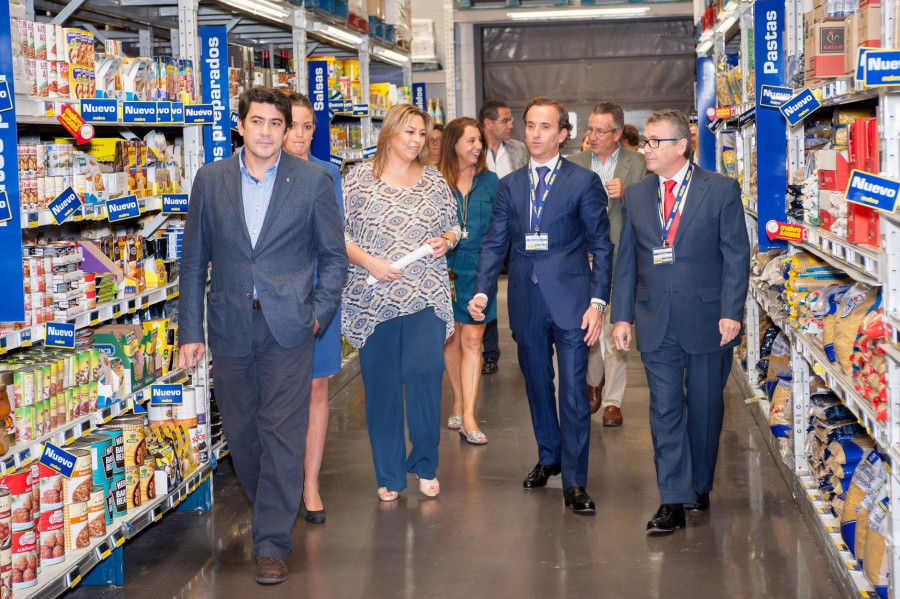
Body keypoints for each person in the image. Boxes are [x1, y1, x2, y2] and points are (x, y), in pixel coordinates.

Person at [178, 87, 347, 584]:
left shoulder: (312, 181)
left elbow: (334, 258)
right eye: (259, 122)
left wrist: (316, 311)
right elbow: (193, 262)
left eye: (278, 123)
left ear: (286, 128)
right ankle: (274, 501)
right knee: (242, 431)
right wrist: (191, 329)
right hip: (229, 322)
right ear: (241, 126)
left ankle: (271, 540)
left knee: (282, 432)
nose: (268, 132)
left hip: (289, 325)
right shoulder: (210, 180)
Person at [469, 97, 613, 515]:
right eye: (530, 125)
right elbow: (495, 242)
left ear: (563, 134)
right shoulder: (509, 185)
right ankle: (549, 456)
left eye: (545, 127)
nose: (535, 133)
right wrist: (482, 290)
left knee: (571, 392)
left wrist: (597, 302)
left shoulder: (583, 182)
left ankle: (575, 480)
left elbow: (602, 246)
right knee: (536, 387)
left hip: (572, 303)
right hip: (527, 302)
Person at [611, 109, 749, 536]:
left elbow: (735, 256)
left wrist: (732, 311)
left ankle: (699, 484)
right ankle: (671, 498)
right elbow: (627, 259)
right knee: (664, 408)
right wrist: (621, 314)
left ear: (680, 146)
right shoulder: (636, 195)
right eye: (646, 141)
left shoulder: (721, 190)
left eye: (654, 142)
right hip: (655, 318)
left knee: (706, 408)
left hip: (708, 318)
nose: (646, 149)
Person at [342, 103, 460, 502]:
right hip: (372, 298)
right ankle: (390, 474)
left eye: (422, 134)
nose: (416, 141)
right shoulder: (357, 180)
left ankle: (424, 463)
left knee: (425, 371)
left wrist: (446, 241)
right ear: (390, 133)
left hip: (425, 292)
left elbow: (454, 226)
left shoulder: (433, 180)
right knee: (382, 387)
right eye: (409, 132)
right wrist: (370, 263)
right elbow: (339, 237)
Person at [281, 92, 344, 525]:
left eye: (308, 128)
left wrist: (325, 296)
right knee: (279, 393)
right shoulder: (256, 172)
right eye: (293, 126)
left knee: (317, 389)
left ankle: (311, 484)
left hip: (319, 298)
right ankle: (280, 483)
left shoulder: (327, 174)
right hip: (273, 303)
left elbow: (334, 244)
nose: (300, 136)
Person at [569, 103, 650, 426]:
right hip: (581, 259)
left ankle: (613, 401)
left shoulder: (639, 164)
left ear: (618, 133)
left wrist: (629, 193)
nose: (593, 136)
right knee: (588, 327)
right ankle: (593, 383)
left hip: (621, 258)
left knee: (617, 328)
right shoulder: (573, 164)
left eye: (600, 131)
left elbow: (657, 204)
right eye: (590, 129)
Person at [439, 118, 500, 444]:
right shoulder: (435, 181)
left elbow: (500, 228)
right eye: (471, 141)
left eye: (480, 141)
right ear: (454, 144)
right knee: (451, 339)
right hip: (444, 270)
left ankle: (470, 416)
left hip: (481, 270)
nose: (478, 146)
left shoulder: (492, 182)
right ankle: (459, 401)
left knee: (473, 341)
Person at [478, 99, 528, 376]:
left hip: (518, 232)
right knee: (486, 288)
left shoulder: (520, 150)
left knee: (522, 285)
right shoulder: (475, 151)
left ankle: (524, 338)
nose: (511, 125)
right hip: (487, 232)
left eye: (511, 120)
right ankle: (490, 353)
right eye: (505, 120)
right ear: (488, 123)